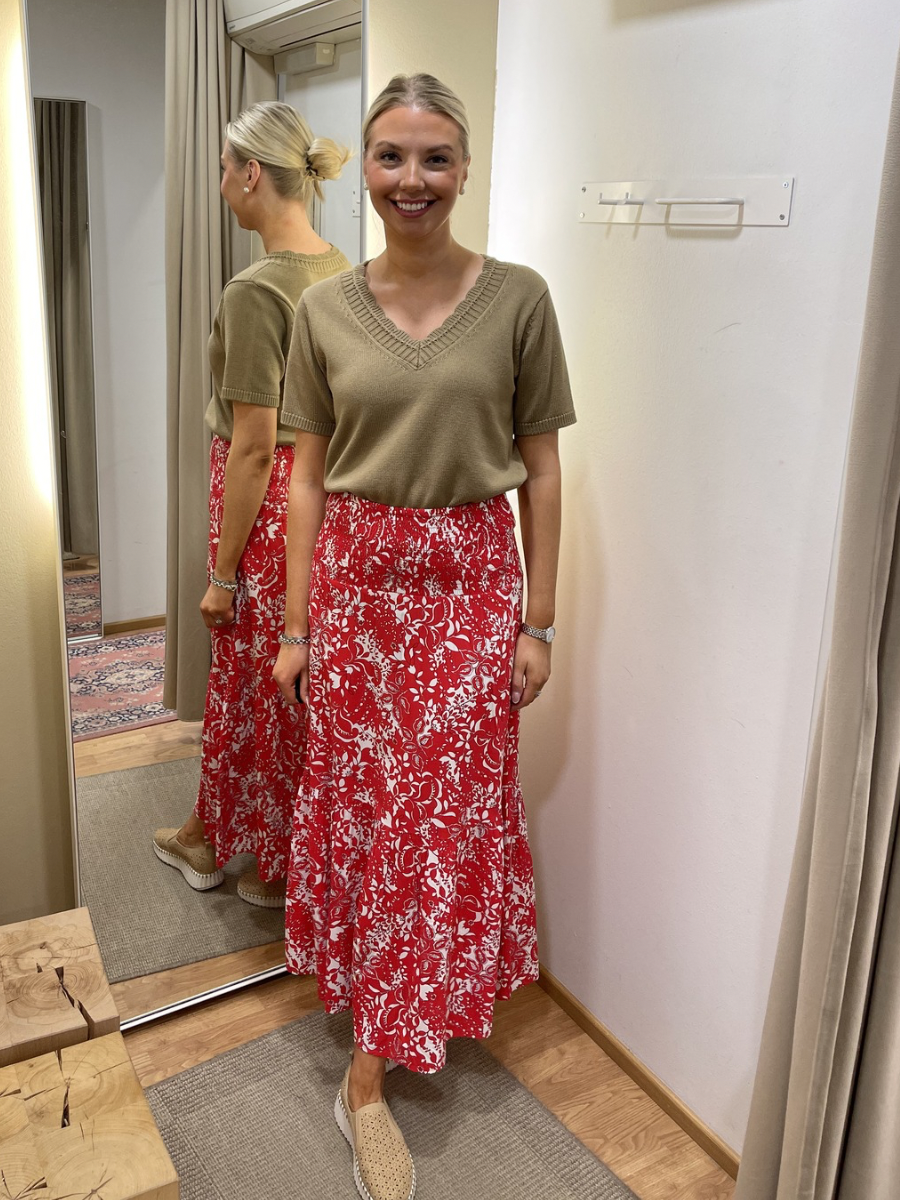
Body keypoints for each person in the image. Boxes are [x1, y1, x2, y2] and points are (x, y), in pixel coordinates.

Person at [274, 74, 576, 1199]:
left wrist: (539, 620)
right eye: (392, 156)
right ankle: (379, 1029)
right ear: (363, 167)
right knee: (369, 806)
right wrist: (296, 627)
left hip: (471, 585)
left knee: (435, 813)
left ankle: (372, 1064)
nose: (413, 179)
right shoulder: (320, 314)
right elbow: (306, 480)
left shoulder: (520, 299)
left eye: (436, 157)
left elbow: (543, 470)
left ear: (465, 168)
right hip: (356, 588)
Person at [153, 102, 351, 908]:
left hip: (266, 505)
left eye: (223, 171)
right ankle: (272, 858)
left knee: (246, 679)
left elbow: (255, 445)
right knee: (291, 686)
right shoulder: (342, 268)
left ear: (251, 174)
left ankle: (227, 848)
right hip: (324, 499)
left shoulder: (256, 289)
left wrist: (223, 573)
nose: (220, 186)